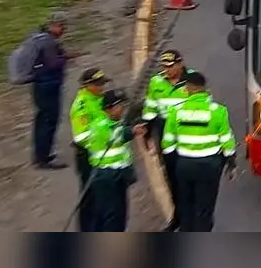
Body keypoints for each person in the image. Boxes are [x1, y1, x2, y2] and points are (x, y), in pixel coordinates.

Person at [161, 72, 236, 232]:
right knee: (204, 207)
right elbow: (227, 142)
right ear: (204, 88)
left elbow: (167, 143)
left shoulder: (176, 111)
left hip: (184, 166)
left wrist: (175, 165)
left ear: (188, 89)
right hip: (209, 167)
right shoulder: (218, 111)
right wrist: (231, 163)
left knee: (186, 205)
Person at [142, 49, 193, 231]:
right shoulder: (156, 82)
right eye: (165, 67)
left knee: (188, 178)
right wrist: (147, 134)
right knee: (172, 177)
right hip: (166, 136)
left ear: (180, 64)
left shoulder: (192, 80)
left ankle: (192, 216)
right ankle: (178, 216)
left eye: (171, 66)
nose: (168, 70)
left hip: (187, 134)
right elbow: (150, 109)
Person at [32, 11, 84, 170]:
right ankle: (44, 159)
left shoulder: (39, 38)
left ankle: (40, 155)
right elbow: (53, 64)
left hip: (40, 85)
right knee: (49, 121)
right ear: (54, 25)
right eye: (62, 26)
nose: (63, 30)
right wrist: (67, 56)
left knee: (41, 121)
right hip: (48, 86)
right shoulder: (48, 42)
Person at [87, 89, 144, 231]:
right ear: (108, 109)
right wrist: (133, 131)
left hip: (117, 176)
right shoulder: (100, 125)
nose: (123, 109)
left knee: (120, 216)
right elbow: (117, 136)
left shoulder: (115, 122)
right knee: (112, 217)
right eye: (119, 106)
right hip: (106, 177)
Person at [69, 68, 110, 231]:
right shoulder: (81, 106)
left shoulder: (99, 98)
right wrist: (104, 139)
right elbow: (81, 137)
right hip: (87, 155)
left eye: (103, 83)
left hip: (100, 153)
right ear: (87, 85)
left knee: (101, 195)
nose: (102, 87)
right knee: (89, 196)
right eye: (98, 84)